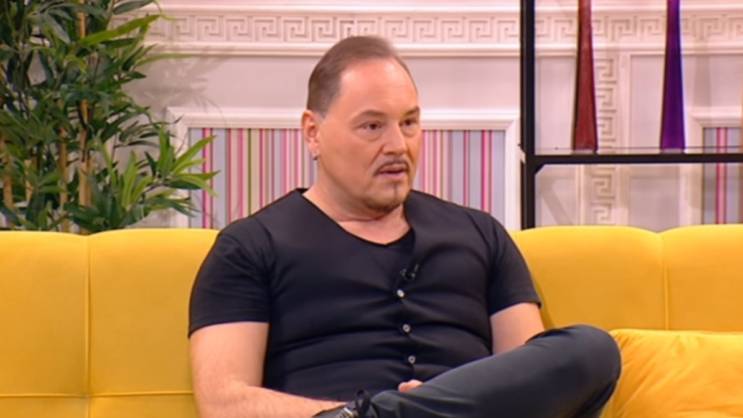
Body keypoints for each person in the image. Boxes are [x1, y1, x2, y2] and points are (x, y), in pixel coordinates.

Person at [188, 36, 620, 418]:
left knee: (592, 349)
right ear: (313, 132)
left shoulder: (479, 234)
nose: (398, 145)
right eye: (372, 126)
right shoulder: (250, 247)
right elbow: (224, 404)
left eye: (409, 123)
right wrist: (352, 414)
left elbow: (530, 379)